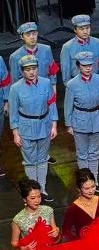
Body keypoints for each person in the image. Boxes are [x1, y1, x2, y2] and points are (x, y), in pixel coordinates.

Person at [9, 55, 57, 198]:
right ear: (22, 71)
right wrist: (15, 133)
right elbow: (13, 112)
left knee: (42, 160)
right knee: (30, 162)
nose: (31, 72)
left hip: (44, 125)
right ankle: (33, 192)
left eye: (34, 68)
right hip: (26, 128)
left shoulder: (46, 83)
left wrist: (54, 125)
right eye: (28, 69)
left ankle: (42, 189)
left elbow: (52, 104)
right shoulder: (15, 88)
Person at [63, 50, 99, 185]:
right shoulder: (72, 84)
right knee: (82, 154)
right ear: (78, 66)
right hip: (80, 120)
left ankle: (94, 180)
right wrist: (69, 124)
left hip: (97, 118)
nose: (88, 68)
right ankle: (85, 181)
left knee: (94, 152)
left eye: (90, 65)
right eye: (84, 65)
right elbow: (68, 106)